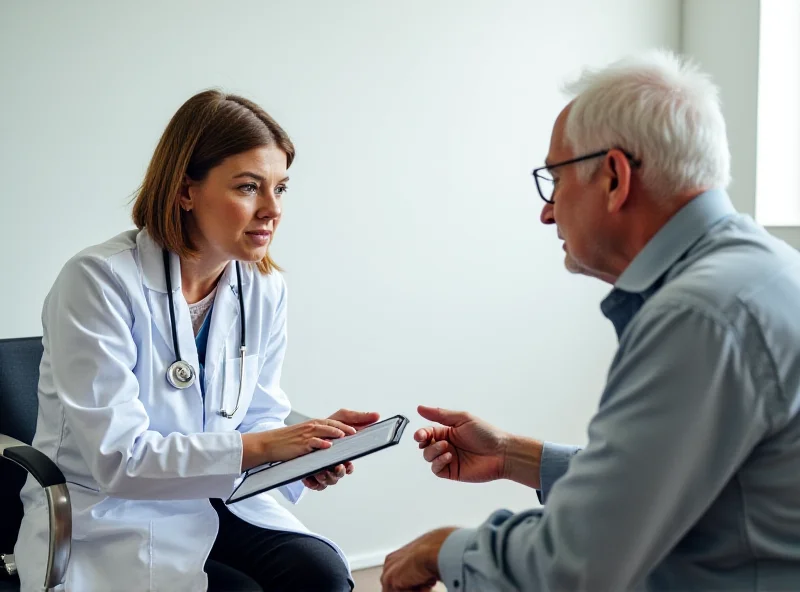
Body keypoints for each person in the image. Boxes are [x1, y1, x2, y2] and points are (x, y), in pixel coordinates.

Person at [381, 49, 800, 591]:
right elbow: (664, 481)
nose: (547, 211)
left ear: (614, 177)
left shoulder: (697, 316)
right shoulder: (761, 270)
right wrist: (513, 455)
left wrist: (444, 549)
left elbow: (575, 565)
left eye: (553, 179)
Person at [15, 89, 379, 592]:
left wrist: (301, 455)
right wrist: (268, 444)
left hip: (223, 495)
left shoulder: (264, 288)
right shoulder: (97, 281)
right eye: (250, 187)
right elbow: (119, 460)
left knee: (319, 575)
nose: (272, 210)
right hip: (115, 514)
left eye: (281, 188)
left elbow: (259, 417)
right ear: (186, 190)